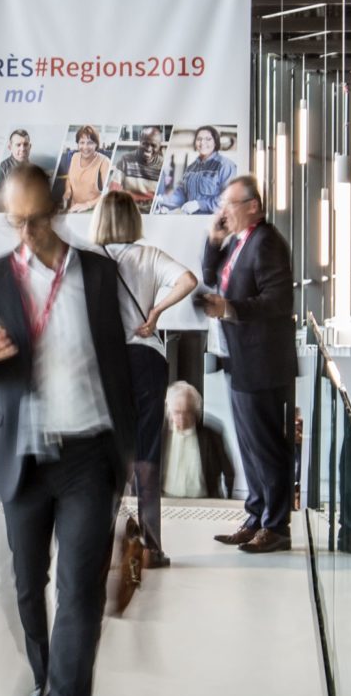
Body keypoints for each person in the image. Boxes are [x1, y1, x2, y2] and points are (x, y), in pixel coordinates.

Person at [0, 162, 136, 696]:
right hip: (21, 457)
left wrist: (127, 455)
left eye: (33, 217)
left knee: (79, 590)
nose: (24, 231)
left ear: (56, 209)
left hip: (86, 456)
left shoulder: (100, 276)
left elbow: (120, 365)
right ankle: (46, 677)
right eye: (13, 220)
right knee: (27, 588)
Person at [92, 191, 199, 566]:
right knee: (147, 454)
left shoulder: (91, 259)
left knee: (108, 455)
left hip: (106, 363)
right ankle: (152, 548)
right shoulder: (149, 256)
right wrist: (155, 312)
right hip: (147, 358)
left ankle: (101, 548)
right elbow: (188, 279)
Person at [199, 176, 296, 554]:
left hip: (263, 361)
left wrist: (231, 308)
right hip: (239, 358)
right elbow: (210, 276)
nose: (224, 211)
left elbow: (278, 301)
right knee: (249, 445)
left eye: (230, 204)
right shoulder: (239, 241)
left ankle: (276, 526)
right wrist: (213, 239)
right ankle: (256, 516)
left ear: (253, 205)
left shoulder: (267, 241)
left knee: (266, 445)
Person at [162, 381, 236, 501]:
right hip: (166, 502)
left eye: (186, 412)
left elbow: (228, 471)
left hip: (204, 502)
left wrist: (228, 498)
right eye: (177, 412)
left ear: (195, 412)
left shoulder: (212, 435)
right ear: (169, 412)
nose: (181, 418)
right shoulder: (161, 437)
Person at [154, 124, 235, 215]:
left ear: (215, 142)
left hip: (212, 222)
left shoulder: (225, 165)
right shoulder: (191, 168)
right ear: (195, 143)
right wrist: (163, 199)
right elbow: (181, 193)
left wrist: (200, 204)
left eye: (208, 139)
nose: (202, 143)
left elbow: (228, 199)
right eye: (199, 139)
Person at [59, 125, 112, 213]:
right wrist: (68, 191)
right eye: (82, 142)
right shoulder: (75, 157)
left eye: (90, 143)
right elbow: (69, 179)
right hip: (74, 209)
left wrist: (87, 205)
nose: (85, 147)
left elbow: (108, 193)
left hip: (93, 211)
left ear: (96, 144)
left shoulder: (104, 162)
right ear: (78, 143)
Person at [107, 125, 165, 200]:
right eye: (145, 144)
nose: (148, 149)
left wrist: (129, 194)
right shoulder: (125, 160)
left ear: (159, 147)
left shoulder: (162, 164)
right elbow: (113, 190)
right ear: (140, 142)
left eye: (153, 145)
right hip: (128, 205)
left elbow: (160, 197)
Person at [0, 128, 37, 206]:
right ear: (10, 147)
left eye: (25, 144)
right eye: (18, 145)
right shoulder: (2, 169)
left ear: (30, 146)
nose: (22, 149)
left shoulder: (36, 170)